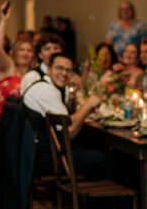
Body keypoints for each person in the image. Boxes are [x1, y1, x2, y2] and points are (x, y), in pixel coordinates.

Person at [22, 53, 119, 181]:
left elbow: (64, 119)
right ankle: (90, 199)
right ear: (49, 69)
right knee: (109, 159)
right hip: (43, 157)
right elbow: (69, 132)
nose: (64, 73)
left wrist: (82, 114)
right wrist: (88, 105)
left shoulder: (48, 86)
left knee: (97, 148)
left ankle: (85, 198)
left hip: (41, 151)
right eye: (59, 68)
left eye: (68, 70)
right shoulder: (46, 91)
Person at [0, 2, 36, 126]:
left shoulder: (35, 74)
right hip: (4, 121)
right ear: (15, 53)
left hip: (26, 121)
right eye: (22, 50)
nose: (25, 53)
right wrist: (3, 20)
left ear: (33, 55)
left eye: (29, 50)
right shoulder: (8, 67)